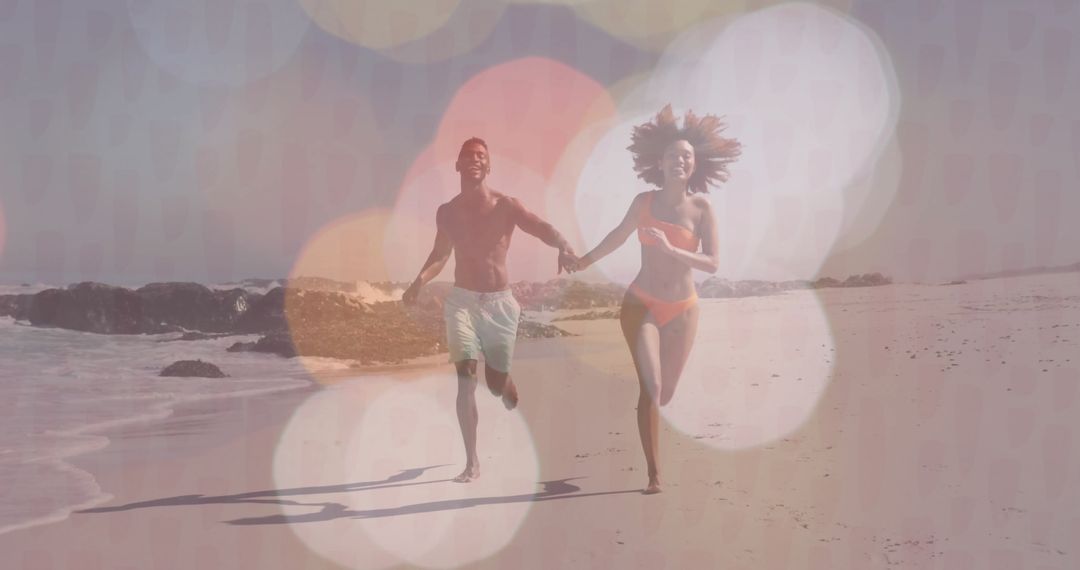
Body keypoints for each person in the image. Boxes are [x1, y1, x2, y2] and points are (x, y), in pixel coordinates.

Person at [570, 105, 741, 494]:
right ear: (659, 162)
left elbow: (713, 262)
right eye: (672, 155)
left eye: (686, 156)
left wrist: (672, 248)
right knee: (650, 385)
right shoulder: (643, 203)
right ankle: (654, 475)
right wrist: (583, 261)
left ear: (694, 166)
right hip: (641, 303)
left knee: (665, 393)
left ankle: (652, 446)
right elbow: (616, 236)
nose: (679, 160)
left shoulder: (702, 208)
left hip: (683, 309)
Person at [402, 137, 577, 483]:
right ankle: (472, 462)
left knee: (495, 385)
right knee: (465, 376)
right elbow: (440, 255)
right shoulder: (447, 212)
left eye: (481, 155)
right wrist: (418, 281)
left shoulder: (505, 206)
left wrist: (564, 244)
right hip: (462, 302)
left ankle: (505, 381)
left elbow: (539, 226)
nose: (474, 159)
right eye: (468, 155)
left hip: (500, 304)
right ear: (457, 165)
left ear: (489, 165)